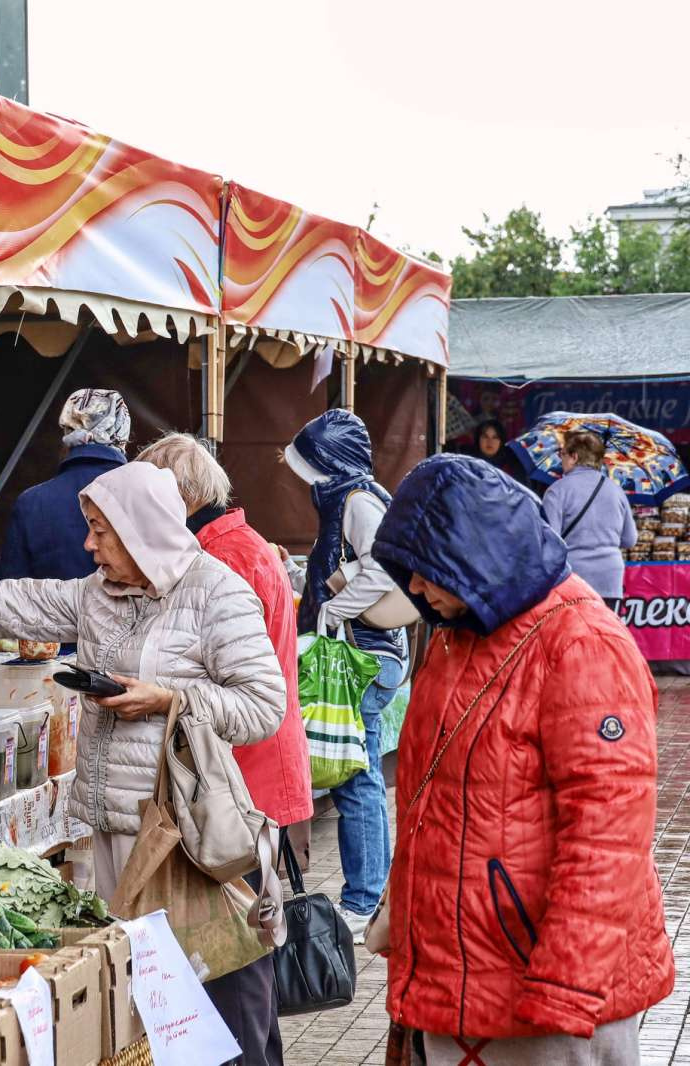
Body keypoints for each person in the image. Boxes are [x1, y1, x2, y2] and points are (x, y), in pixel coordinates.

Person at [0, 463, 287, 1065]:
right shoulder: (95, 597)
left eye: (101, 531)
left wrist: (168, 700)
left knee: (217, 995)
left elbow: (264, 707)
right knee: (145, 1005)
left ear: (140, 530)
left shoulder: (217, 592)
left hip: (181, 836)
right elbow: (5, 603)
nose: (88, 545)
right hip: (112, 825)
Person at [370, 454, 672, 1063]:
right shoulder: (460, 635)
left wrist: (565, 986)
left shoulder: (581, 644)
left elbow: (607, 836)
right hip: (467, 977)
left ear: (475, 554)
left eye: (426, 572)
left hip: (546, 997)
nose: (416, 589)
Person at [137, 433, 310, 1065]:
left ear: (179, 498)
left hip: (241, 785)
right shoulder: (244, 544)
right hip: (255, 776)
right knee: (249, 971)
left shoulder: (223, 562)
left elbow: (226, 693)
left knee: (237, 968)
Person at [282, 409, 408, 941]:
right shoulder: (353, 497)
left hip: (365, 655)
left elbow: (383, 566)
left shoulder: (357, 502)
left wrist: (335, 609)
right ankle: (369, 893)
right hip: (371, 655)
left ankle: (363, 899)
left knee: (358, 777)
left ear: (329, 462)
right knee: (364, 774)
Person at [0, 388, 129, 580]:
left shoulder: (31, 502)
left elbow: (9, 590)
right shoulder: (147, 495)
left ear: (69, 431)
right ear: (121, 431)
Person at [540, 430, 636, 608]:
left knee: (575, 635)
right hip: (610, 578)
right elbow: (630, 540)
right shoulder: (617, 490)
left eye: (562, 454)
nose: (560, 460)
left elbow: (550, 541)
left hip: (574, 580)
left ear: (574, 457)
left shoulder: (557, 491)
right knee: (606, 635)